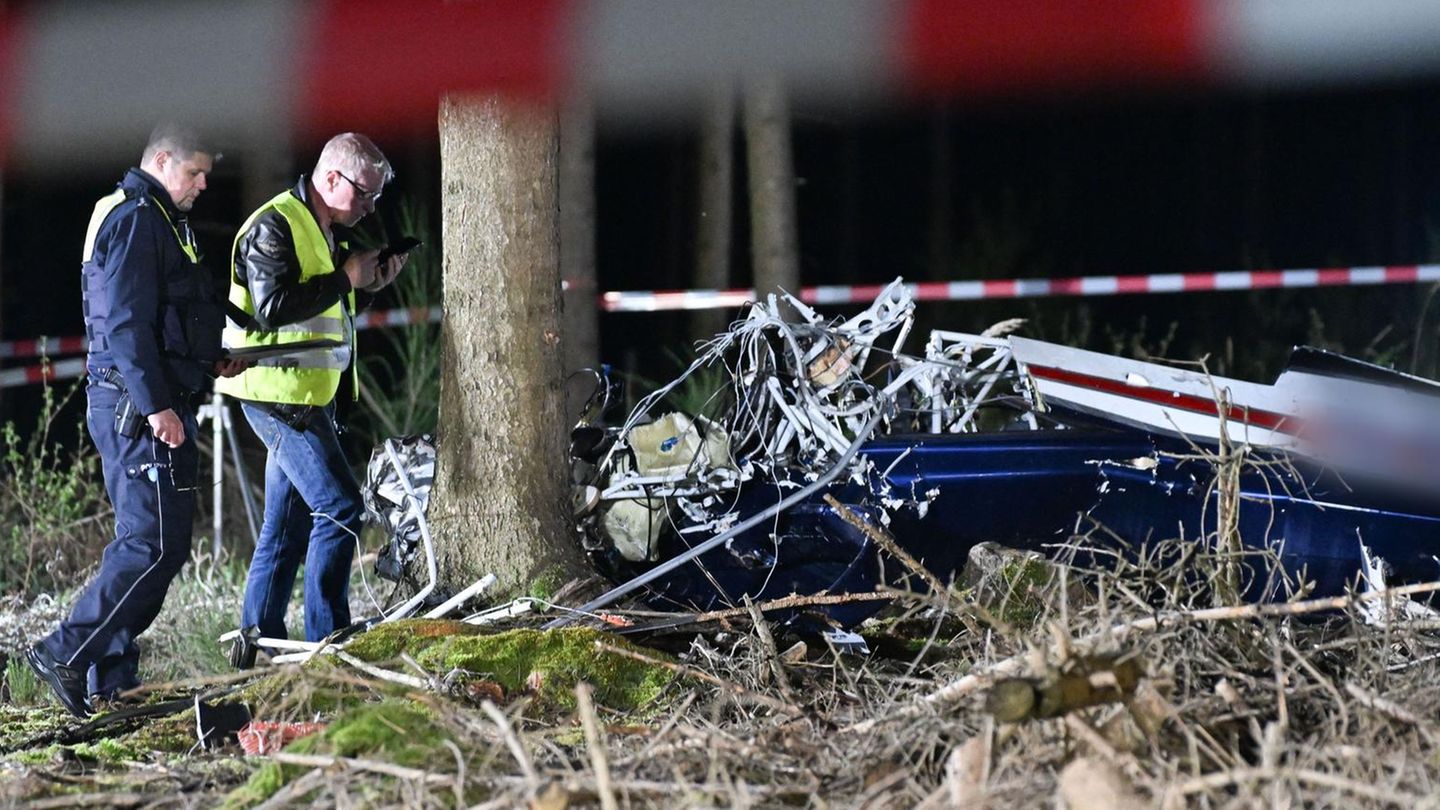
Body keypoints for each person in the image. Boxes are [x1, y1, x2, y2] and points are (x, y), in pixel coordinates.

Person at [27, 123, 246, 716]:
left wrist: (208, 360)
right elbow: (123, 325)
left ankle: (109, 680)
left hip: (155, 400)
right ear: (163, 158)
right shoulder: (136, 219)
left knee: (157, 545)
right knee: (150, 544)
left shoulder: (160, 219)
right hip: (139, 409)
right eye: (195, 172)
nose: (204, 183)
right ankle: (64, 652)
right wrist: (157, 406)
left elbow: (164, 315)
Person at [217, 133, 406, 656]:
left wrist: (367, 288)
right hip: (277, 396)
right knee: (341, 506)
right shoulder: (275, 224)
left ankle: (257, 645)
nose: (369, 207)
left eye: (375, 197)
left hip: (305, 396)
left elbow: (326, 316)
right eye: (363, 194)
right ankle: (327, 642)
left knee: (287, 524)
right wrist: (347, 276)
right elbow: (274, 305)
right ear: (330, 178)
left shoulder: (326, 230)